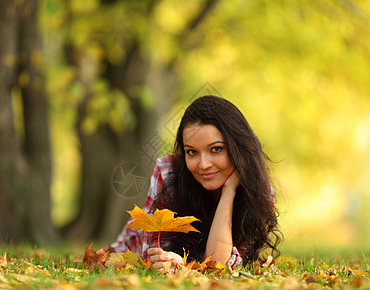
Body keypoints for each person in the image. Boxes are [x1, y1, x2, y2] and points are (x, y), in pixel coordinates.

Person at [107, 95, 282, 272]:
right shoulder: (168, 172)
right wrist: (168, 261)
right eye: (192, 152)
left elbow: (219, 266)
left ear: (238, 148)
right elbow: (153, 254)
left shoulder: (260, 194)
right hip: (126, 251)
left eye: (216, 149)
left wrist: (229, 192)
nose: (203, 164)